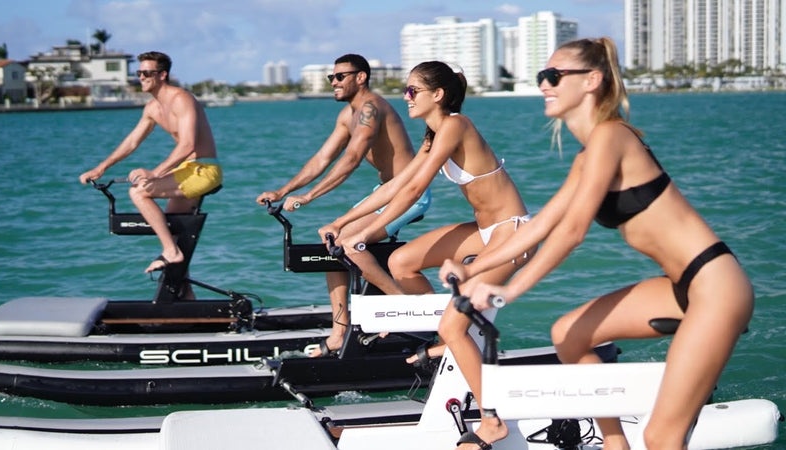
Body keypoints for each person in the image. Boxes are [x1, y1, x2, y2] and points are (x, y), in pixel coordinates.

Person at [439, 37, 753, 450]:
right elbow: (542, 225)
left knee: (662, 437)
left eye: (553, 76)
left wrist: (507, 291)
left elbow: (572, 232)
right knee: (568, 333)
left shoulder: (611, 137)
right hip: (682, 287)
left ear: (591, 80)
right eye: (541, 77)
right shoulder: (589, 155)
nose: (544, 85)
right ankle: (614, 443)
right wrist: (471, 269)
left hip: (716, 286)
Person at [320, 61, 532, 437]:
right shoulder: (434, 134)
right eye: (405, 90)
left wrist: (367, 233)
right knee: (402, 262)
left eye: (413, 91)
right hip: (483, 230)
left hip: (511, 233)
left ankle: (491, 419)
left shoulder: (455, 125)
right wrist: (342, 222)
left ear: (438, 94)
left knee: (453, 326)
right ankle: (449, 344)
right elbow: (399, 184)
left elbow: (416, 191)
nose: (406, 98)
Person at [255, 54, 430, 357]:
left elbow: (350, 160)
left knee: (348, 243)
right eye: (331, 78)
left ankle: (402, 310)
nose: (333, 83)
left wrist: (309, 197)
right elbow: (323, 159)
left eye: (340, 77)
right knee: (330, 242)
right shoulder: (347, 115)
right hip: (385, 191)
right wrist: (283, 191)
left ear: (360, 77)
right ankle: (339, 333)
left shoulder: (371, 109)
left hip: (409, 193)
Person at [79, 51, 222, 283]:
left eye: (147, 73)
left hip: (204, 170)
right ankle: (183, 293)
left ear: (162, 75)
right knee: (174, 230)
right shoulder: (153, 109)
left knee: (139, 191)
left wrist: (154, 174)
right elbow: (132, 141)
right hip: (185, 171)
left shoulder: (181, 99)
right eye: (139, 73)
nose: (141, 78)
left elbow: (187, 145)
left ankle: (170, 253)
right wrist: (101, 168)